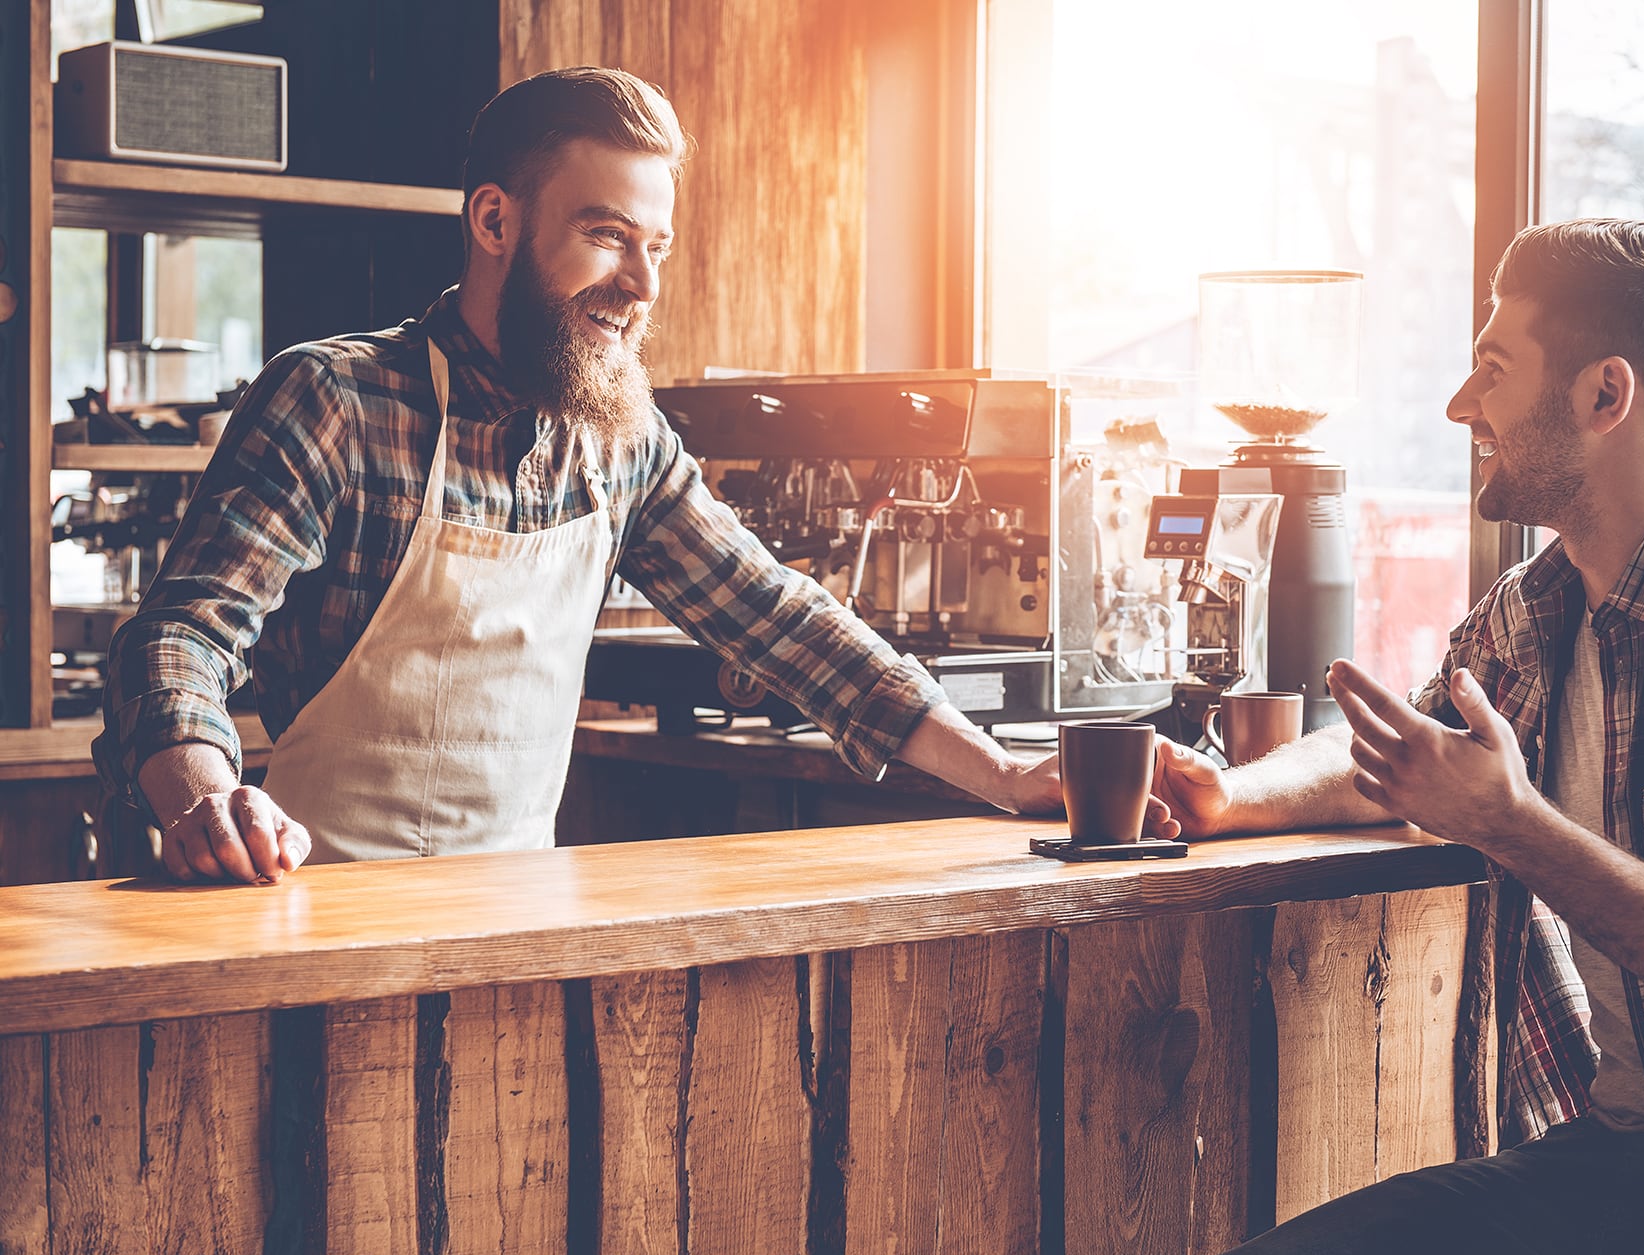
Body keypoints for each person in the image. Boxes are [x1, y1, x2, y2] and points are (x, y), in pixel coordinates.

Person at [1158, 220, 1644, 1255]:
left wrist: (1516, 827)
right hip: (1619, 1163)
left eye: (1492, 369)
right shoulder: (1539, 605)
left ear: (1606, 396)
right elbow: (1410, 747)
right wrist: (1230, 797)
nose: (1460, 406)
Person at [97, 67, 1062, 883]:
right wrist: (210, 798)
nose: (640, 286)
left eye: (656, 248)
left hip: (528, 920)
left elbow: (776, 618)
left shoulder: (623, 440)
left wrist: (1007, 775)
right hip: (324, 912)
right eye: (606, 236)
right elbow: (182, 635)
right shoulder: (338, 400)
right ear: (493, 220)